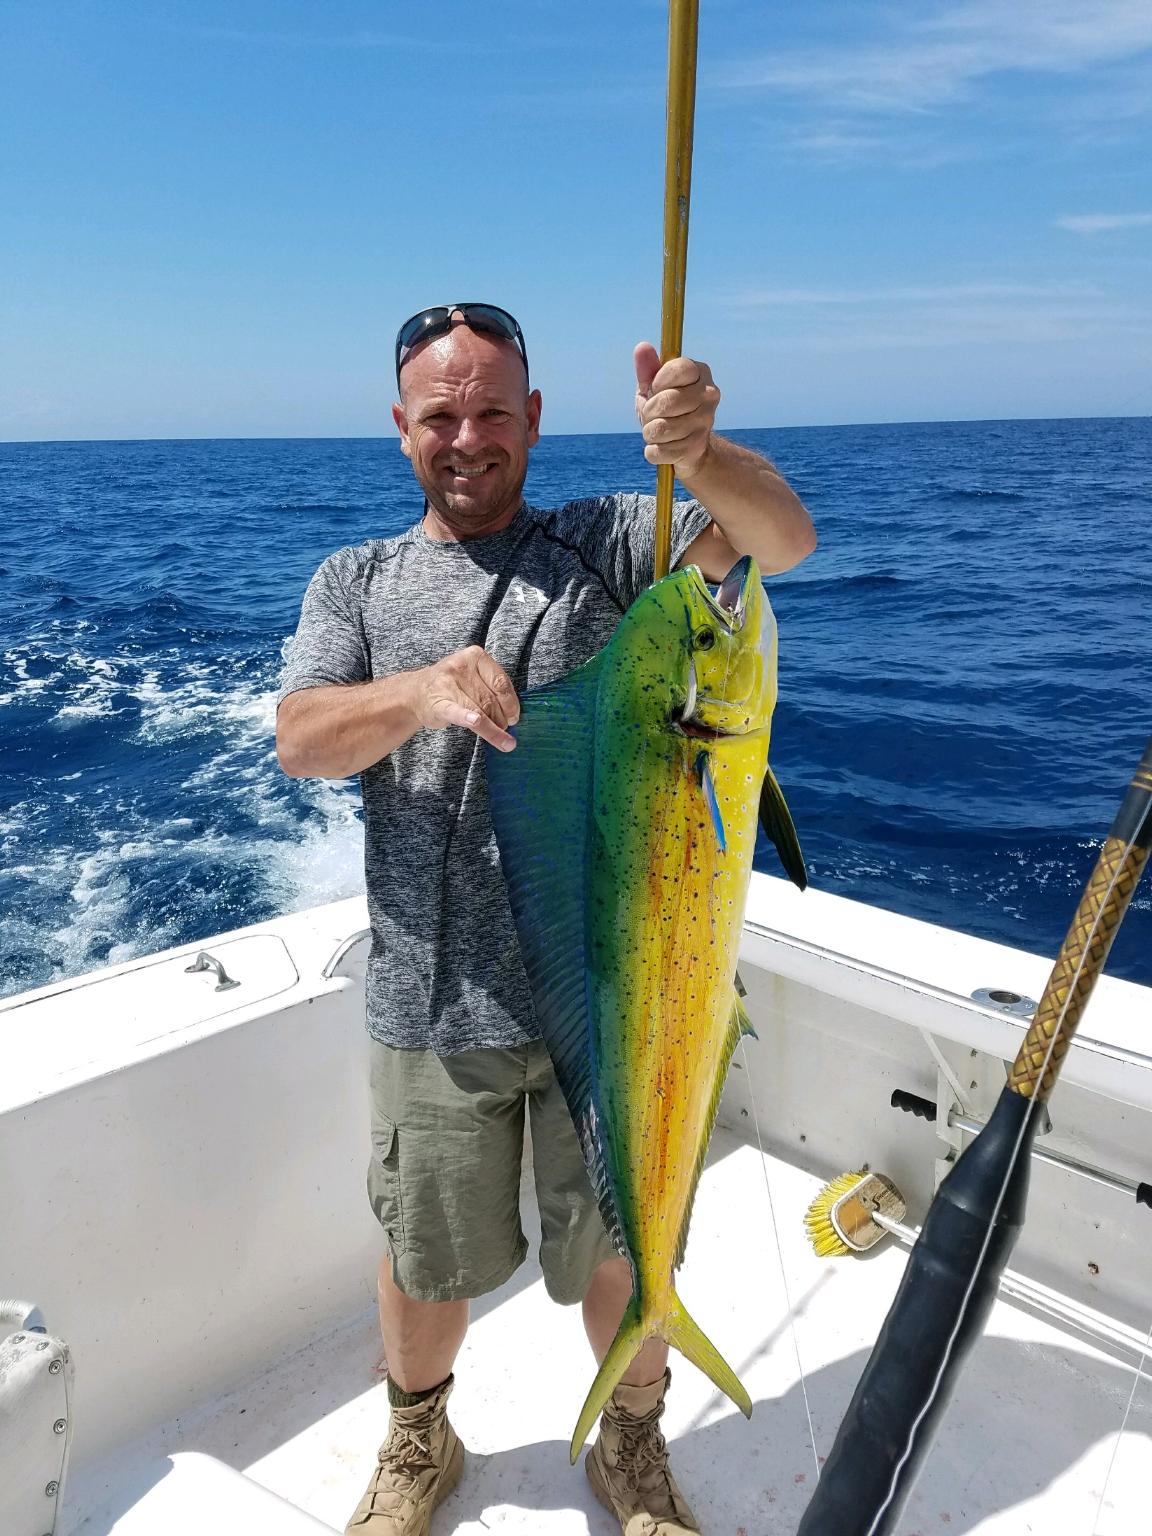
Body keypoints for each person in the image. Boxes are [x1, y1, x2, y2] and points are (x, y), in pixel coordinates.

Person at [276, 303, 816, 1536]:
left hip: (618, 1002)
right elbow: (300, 740)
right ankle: (419, 1443)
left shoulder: (613, 543)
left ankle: (631, 1442)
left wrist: (703, 453)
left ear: (533, 419)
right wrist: (420, 691)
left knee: (625, 1253)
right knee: (425, 1262)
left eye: (491, 412)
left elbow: (778, 538)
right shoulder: (352, 581)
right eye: (440, 414)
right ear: (401, 427)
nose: (467, 436)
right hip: (435, 1002)